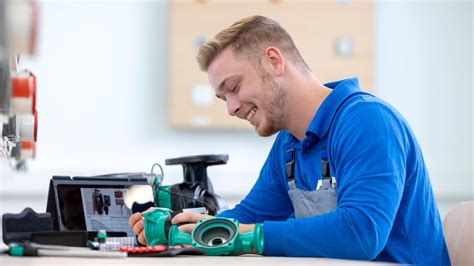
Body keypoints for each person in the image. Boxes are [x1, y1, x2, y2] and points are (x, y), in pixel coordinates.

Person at [129, 15, 450, 264]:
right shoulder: (289, 144)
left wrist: (248, 237)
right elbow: (249, 218)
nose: (231, 108)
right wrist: (184, 231)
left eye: (234, 87)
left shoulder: (367, 121)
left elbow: (362, 232)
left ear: (274, 60)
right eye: (222, 98)